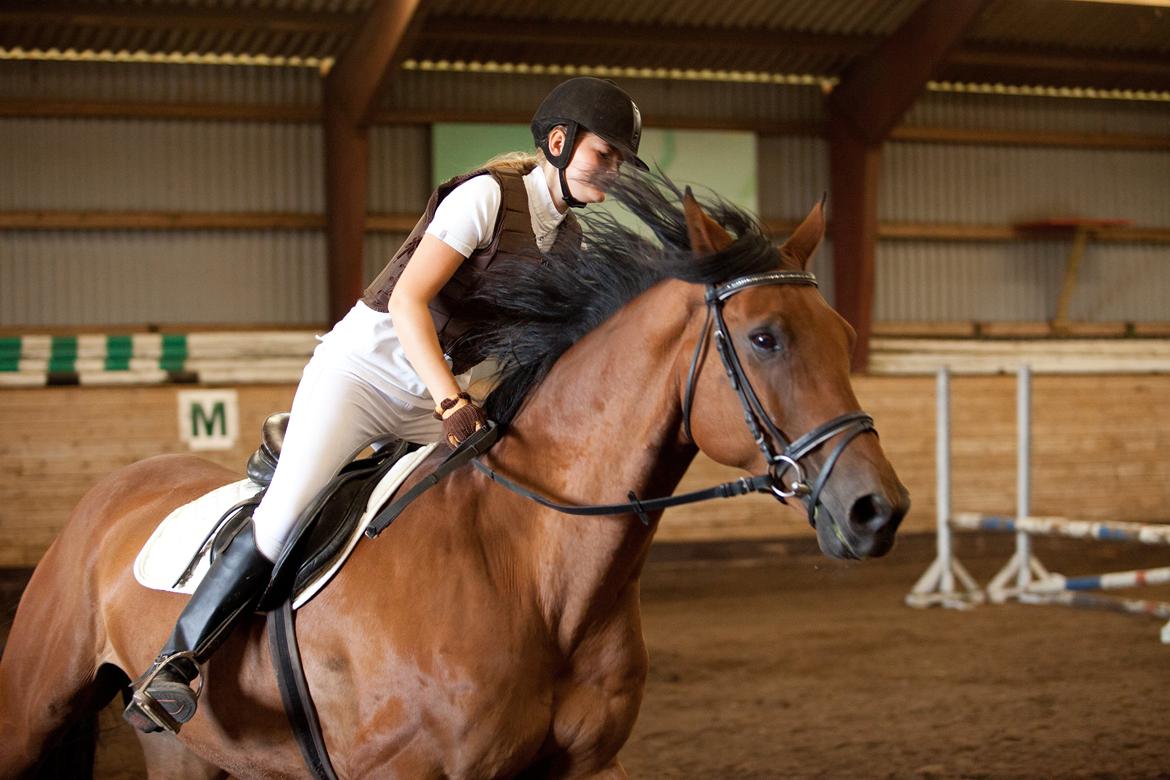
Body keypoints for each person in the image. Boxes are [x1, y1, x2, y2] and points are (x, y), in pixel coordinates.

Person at [123, 76, 648, 734]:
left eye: (620, 159)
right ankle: (175, 662)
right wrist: (451, 400)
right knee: (285, 516)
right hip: (362, 377)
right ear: (560, 141)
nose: (613, 169)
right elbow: (408, 301)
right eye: (606, 153)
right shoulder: (486, 197)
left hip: (435, 397)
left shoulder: (566, 241)